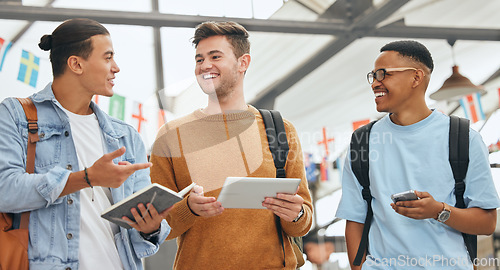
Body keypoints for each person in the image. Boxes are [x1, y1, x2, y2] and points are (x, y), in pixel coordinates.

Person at [0, 18, 171, 269]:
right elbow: (5, 191)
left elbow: (139, 242)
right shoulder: (16, 115)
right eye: (108, 57)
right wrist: (87, 177)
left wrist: (150, 227)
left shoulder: (125, 135)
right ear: (76, 64)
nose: (116, 68)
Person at [150, 21, 313, 269]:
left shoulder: (280, 130)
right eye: (199, 59)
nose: (205, 65)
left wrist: (296, 214)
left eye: (215, 56)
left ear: (243, 62)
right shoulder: (171, 135)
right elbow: (159, 226)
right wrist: (189, 209)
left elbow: (304, 219)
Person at [336, 40, 500, 269]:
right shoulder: (362, 141)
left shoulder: (463, 138)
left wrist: (439, 211)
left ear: (416, 77)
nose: (375, 83)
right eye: (372, 76)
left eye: (383, 74)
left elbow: (487, 222)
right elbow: (355, 219)